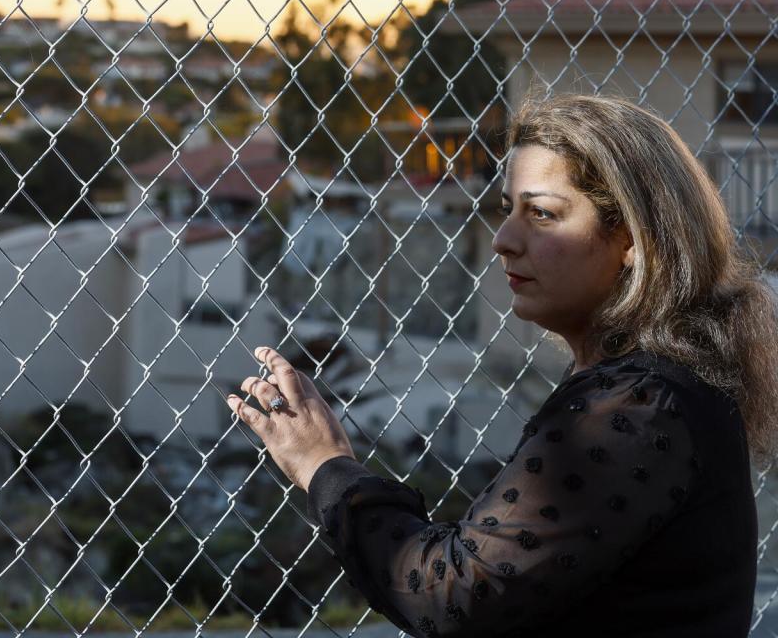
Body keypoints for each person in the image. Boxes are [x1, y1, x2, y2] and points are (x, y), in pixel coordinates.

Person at [225, 93, 778, 637]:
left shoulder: (636, 406)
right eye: (507, 209)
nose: (504, 240)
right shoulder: (652, 385)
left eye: (542, 214)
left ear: (632, 238)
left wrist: (325, 466)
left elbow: (452, 594)